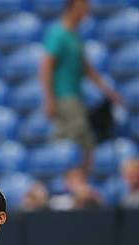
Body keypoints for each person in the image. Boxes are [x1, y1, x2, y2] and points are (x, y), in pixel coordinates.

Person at [40, 0, 121, 171]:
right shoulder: (58, 34)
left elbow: (87, 69)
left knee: (78, 141)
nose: (86, 14)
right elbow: (46, 67)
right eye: (83, 9)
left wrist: (108, 91)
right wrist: (49, 99)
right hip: (64, 97)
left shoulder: (74, 36)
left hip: (75, 96)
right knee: (80, 141)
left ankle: (74, 180)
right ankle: (75, 181)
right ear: (72, 9)